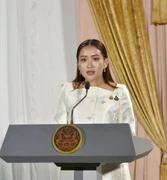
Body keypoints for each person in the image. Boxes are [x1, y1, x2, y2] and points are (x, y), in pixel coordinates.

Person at [54, 39, 135, 180]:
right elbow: (57, 129)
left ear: (105, 63)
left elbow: (129, 132)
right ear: (78, 65)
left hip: (110, 170)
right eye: (84, 60)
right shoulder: (69, 91)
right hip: (74, 169)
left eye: (95, 59)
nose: (89, 65)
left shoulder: (119, 92)